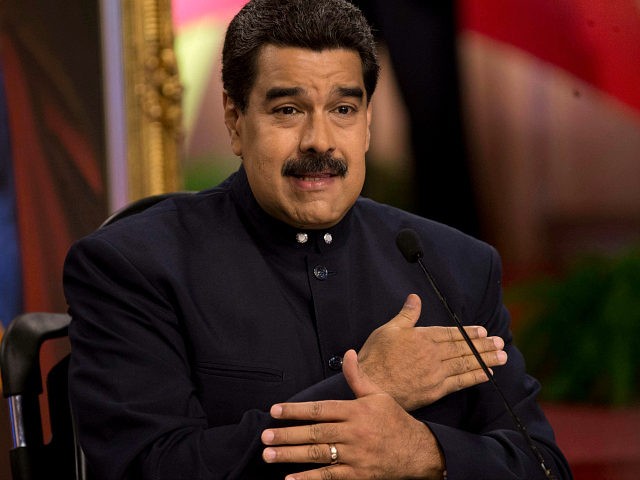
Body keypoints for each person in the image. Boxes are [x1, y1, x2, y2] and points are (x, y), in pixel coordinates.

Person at [64, 1, 572, 479]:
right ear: (235, 120)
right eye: (288, 109)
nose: (320, 141)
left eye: (344, 110)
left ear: (369, 122)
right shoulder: (133, 266)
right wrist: (369, 387)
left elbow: (542, 464)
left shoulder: (456, 265)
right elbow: (148, 468)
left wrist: (425, 453)